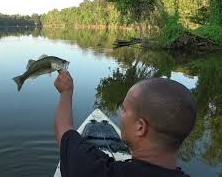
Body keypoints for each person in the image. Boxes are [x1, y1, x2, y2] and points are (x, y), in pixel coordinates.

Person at [53, 71, 197, 177]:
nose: (120, 114)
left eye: (124, 109)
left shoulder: (97, 171)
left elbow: (64, 130)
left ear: (140, 127)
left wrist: (66, 91)